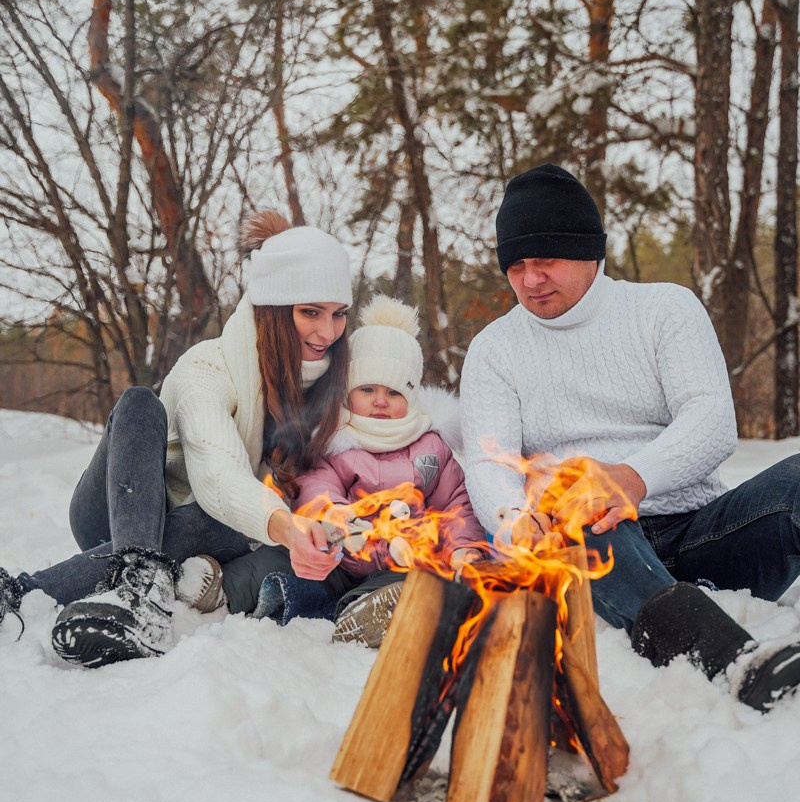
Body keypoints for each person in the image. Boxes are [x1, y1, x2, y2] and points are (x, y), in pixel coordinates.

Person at [460, 163, 800, 712]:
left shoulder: (664, 309)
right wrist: (514, 521)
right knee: (579, 509)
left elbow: (712, 418)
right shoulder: (494, 349)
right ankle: (735, 664)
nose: (529, 279)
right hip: (593, 546)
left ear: (591, 252)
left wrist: (633, 478)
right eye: (516, 265)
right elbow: (485, 461)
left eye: (545, 259)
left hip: (699, 532)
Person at [0, 211, 361, 667]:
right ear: (272, 310)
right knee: (139, 403)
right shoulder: (207, 367)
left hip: (201, 531)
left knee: (231, 523)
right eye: (310, 312)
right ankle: (80, 588)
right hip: (113, 514)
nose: (327, 332)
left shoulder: (330, 392)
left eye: (338, 314)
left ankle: (138, 586)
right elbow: (218, 473)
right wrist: (286, 528)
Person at [253, 294, 486, 647]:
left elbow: (456, 503)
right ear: (348, 392)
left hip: (401, 560)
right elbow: (316, 486)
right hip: (342, 558)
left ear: (411, 398)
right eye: (367, 389)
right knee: (297, 571)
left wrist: (461, 548)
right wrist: (337, 514)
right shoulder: (335, 441)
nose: (380, 401)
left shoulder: (430, 445)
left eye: (393, 392)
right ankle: (278, 596)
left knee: (409, 582)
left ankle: (367, 614)